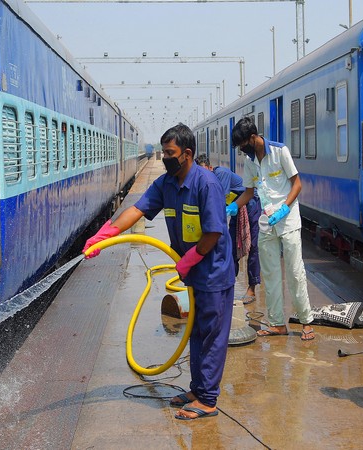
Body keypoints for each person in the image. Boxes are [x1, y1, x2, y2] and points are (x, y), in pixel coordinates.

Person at [83, 124, 235, 420]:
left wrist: (190, 258)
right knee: (197, 332)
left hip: (213, 272)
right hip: (193, 272)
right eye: (163, 152)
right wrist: (107, 234)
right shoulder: (166, 184)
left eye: (169, 153)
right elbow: (137, 210)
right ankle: (197, 389)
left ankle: (208, 400)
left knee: (213, 336)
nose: (164, 157)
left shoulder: (207, 185)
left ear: (187, 154)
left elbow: (215, 231)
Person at [227, 116, 315, 341]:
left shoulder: (279, 151)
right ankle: (277, 323)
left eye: (243, 145)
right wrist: (232, 208)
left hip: (287, 220)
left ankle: (306, 322)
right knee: (271, 274)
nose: (242, 150)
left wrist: (285, 209)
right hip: (266, 222)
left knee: (295, 271)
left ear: (253, 137)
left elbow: (297, 183)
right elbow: (248, 192)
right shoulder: (249, 161)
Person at [195, 154, 261, 303]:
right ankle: (227, 286)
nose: (204, 176)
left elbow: (219, 201)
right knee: (231, 248)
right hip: (235, 208)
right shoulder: (205, 180)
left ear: (211, 168)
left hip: (250, 206)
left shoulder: (221, 174)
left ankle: (252, 288)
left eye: (205, 171)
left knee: (252, 247)